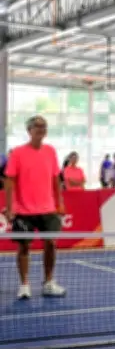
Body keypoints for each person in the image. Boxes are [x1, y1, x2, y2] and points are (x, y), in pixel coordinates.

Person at [5, 116, 66, 300]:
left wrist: (60, 202)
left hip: (48, 208)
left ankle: (48, 282)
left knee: (51, 244)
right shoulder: (17, 152)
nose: (41, 129)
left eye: (44, 126)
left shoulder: (51, 151)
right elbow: (9, 180)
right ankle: (24, 285)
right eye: (37, 126)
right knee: (24, 247)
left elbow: (56, 178)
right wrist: (10, 207)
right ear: (29, 130)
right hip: (23, 210)